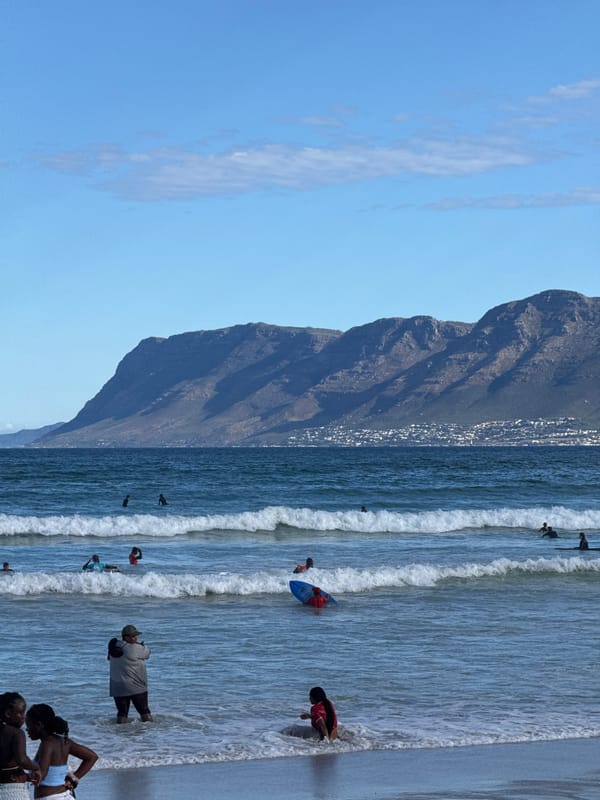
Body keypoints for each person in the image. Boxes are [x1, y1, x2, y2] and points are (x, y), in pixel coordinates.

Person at [25, 703, 97, 799]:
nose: (27, 730)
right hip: (66, 796)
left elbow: (41, 774)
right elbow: (92, 757)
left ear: (39, 725)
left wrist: (20, 776)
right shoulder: (64, 741)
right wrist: (74, 778)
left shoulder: (47, 744)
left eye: (29, 725)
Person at [108, 624, 153, 724]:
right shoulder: (136, 648)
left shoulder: (113, 647)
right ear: (126, 637)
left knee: (122, 713)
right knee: (144, 711)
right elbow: (148, 653)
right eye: (133, 636)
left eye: (135, 636)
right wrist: (141, 645)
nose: (135, 638)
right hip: (136, 686)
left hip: (118, 686)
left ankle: (120, 735)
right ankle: (152, 734)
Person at [0, 692, 40, 798]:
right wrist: (36, 767)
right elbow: (22, 760)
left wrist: (26, 776)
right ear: (8, 714)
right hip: (12, 790)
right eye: (21, 713)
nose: (24, 717)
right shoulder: (16, 733)